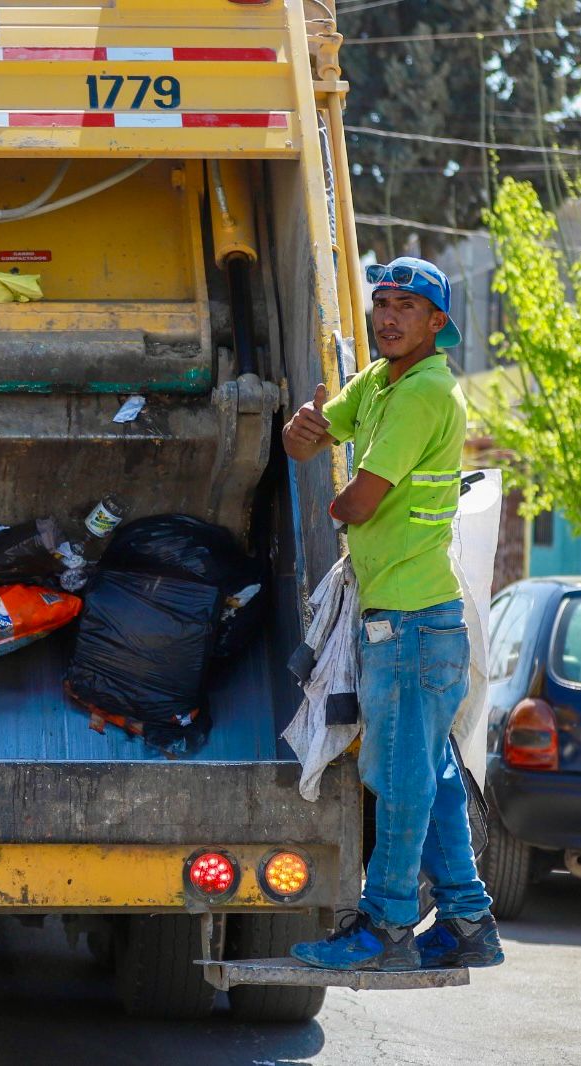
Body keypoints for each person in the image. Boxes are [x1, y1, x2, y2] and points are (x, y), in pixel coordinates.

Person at [281, 257, 502, 971]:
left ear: (437, 323)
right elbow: (308, 437)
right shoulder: (380, 381)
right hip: (406, 618)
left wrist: (338, 499)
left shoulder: (422, 393)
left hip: (410, 622)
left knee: (401, 780)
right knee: (429, 772)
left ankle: (384, 928)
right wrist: (304, 428)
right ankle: (467, 920)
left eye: (406, 305)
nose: (387, 316)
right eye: (380, 302)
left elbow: (358, 500)